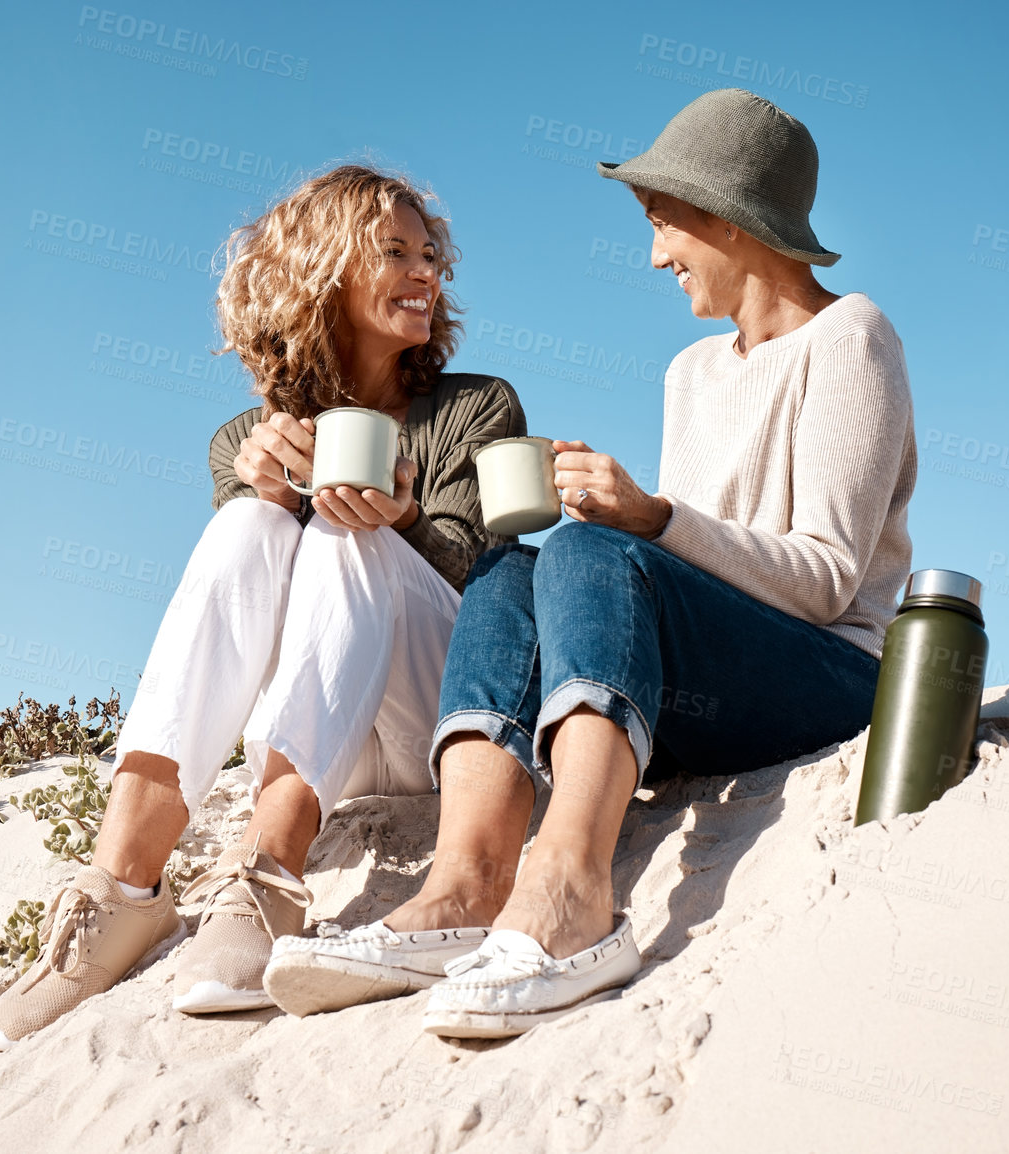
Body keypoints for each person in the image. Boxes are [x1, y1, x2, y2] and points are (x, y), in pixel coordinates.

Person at [263, 89, 917, 1038]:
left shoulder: (851, 337)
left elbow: (820, 580)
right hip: (705, 689)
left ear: (731, 218)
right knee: (509, 563)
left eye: (665, 225)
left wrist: (649, 518)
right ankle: (464, 888)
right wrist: (635, 526)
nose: (656, 256)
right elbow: (680, 569)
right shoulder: (690, 372)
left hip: (828, 679)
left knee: (592, 546)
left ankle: (571, 892)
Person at [0, 166, 526, 1049]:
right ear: (319, 272)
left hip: (436, 714)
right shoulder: (244, 437)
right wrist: (267, 493)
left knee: (352, 537)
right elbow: (243, 625)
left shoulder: (474, 406)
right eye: (393, 253)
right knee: (246, 531)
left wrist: (404, 518)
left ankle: (269, 873)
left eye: (431, 255)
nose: (426, 272)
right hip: (319, 741)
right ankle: (122, 888)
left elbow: (478, 577)